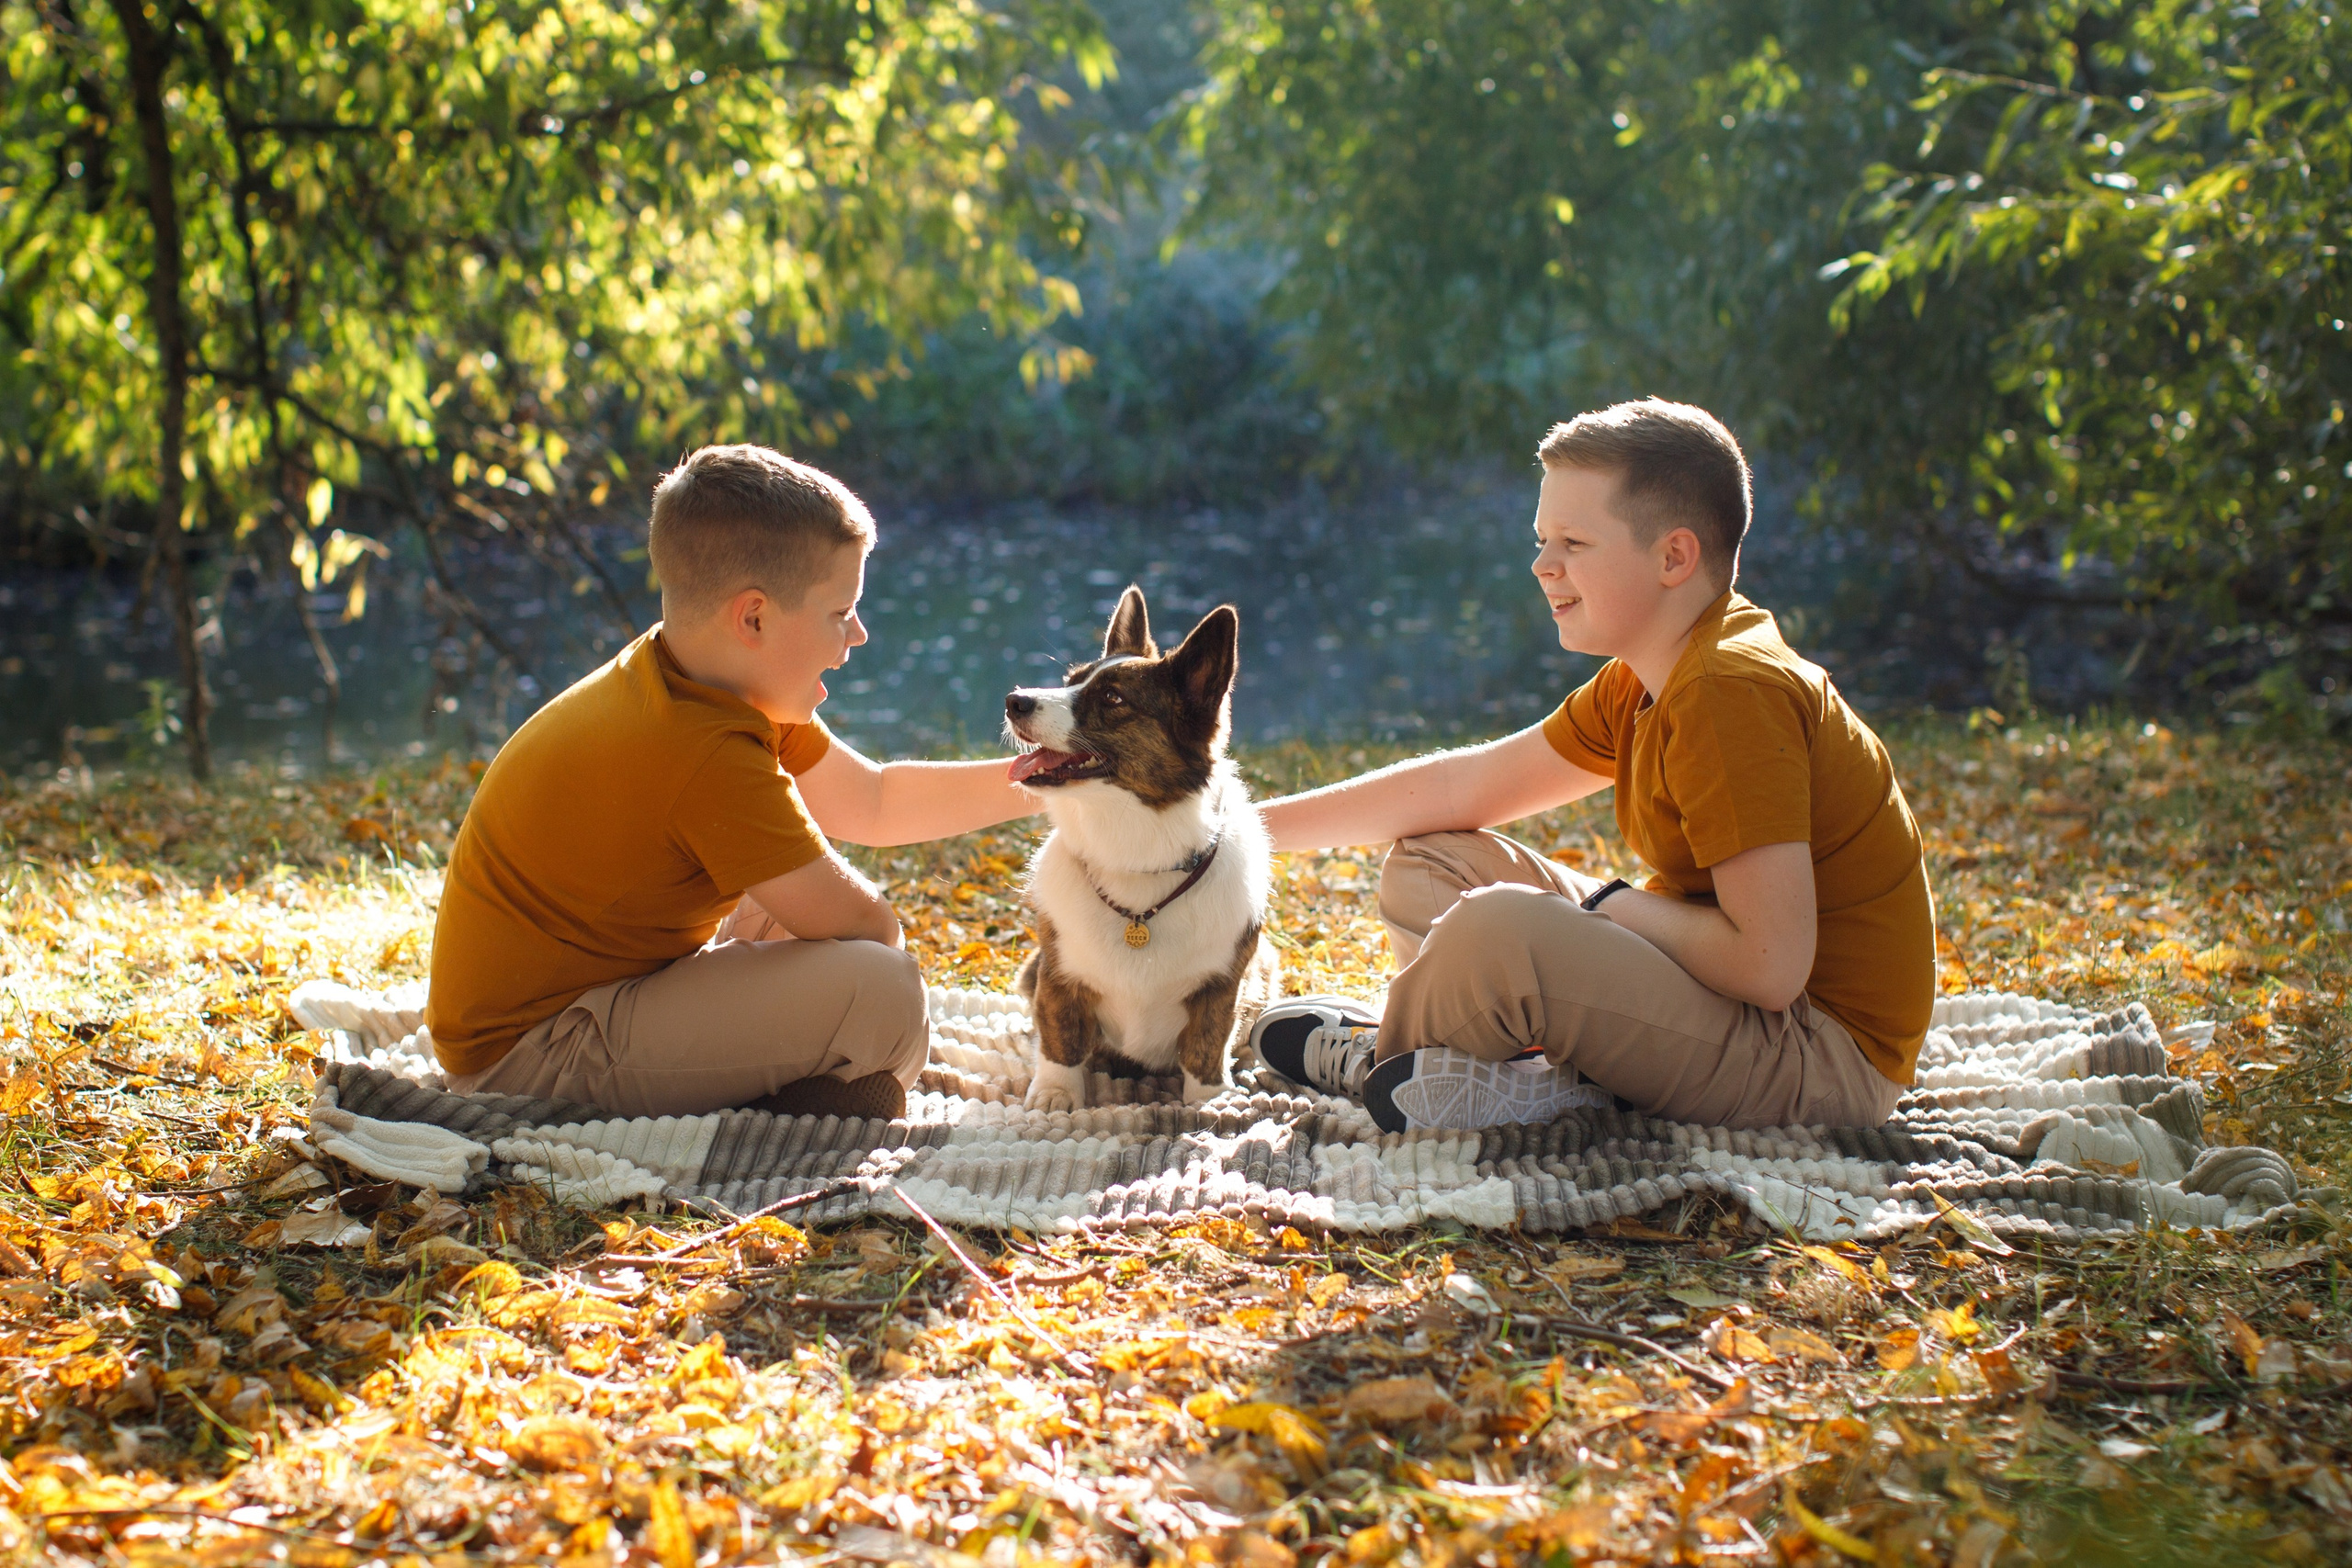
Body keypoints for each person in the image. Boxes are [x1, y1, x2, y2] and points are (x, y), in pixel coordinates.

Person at [1250, 399, 1936, 1134]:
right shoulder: (1649, 672)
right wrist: (1241, 831)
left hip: (1817, 1061)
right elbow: (1462, 787)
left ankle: (1382, 1058)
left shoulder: (1727, 689)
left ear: (1675, 557)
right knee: (1432, 859)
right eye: (1543, 538)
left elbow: (1770, 967)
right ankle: (1516, 1076)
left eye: (1574, 541)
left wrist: (1610, 904)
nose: (1543, 565)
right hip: (1731, 1009)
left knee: (1500, 931)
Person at [423, 445, 1037, 1121]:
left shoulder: (703, 679)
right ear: (754, 618)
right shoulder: (701, 745)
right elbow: (871, 925)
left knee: (794, 908)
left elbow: (873, 799)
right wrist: (850, 947)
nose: (858, 634)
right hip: (528, 1056)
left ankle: (794, 1079)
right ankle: (792, 1089)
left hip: (599, 981)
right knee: (885, 993)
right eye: (840, 612)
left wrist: (1041, 783)